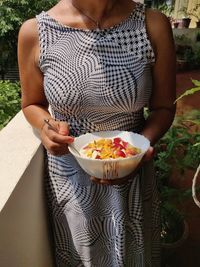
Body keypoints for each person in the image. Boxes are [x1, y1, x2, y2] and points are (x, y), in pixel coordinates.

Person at [18, 0, 176, 266]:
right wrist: (47, 127)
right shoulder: (35, 31)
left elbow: (163, 107)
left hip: (133, 173)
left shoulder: (152, 25)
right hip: (71, 178)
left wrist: (136, 151)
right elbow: (32, 103)